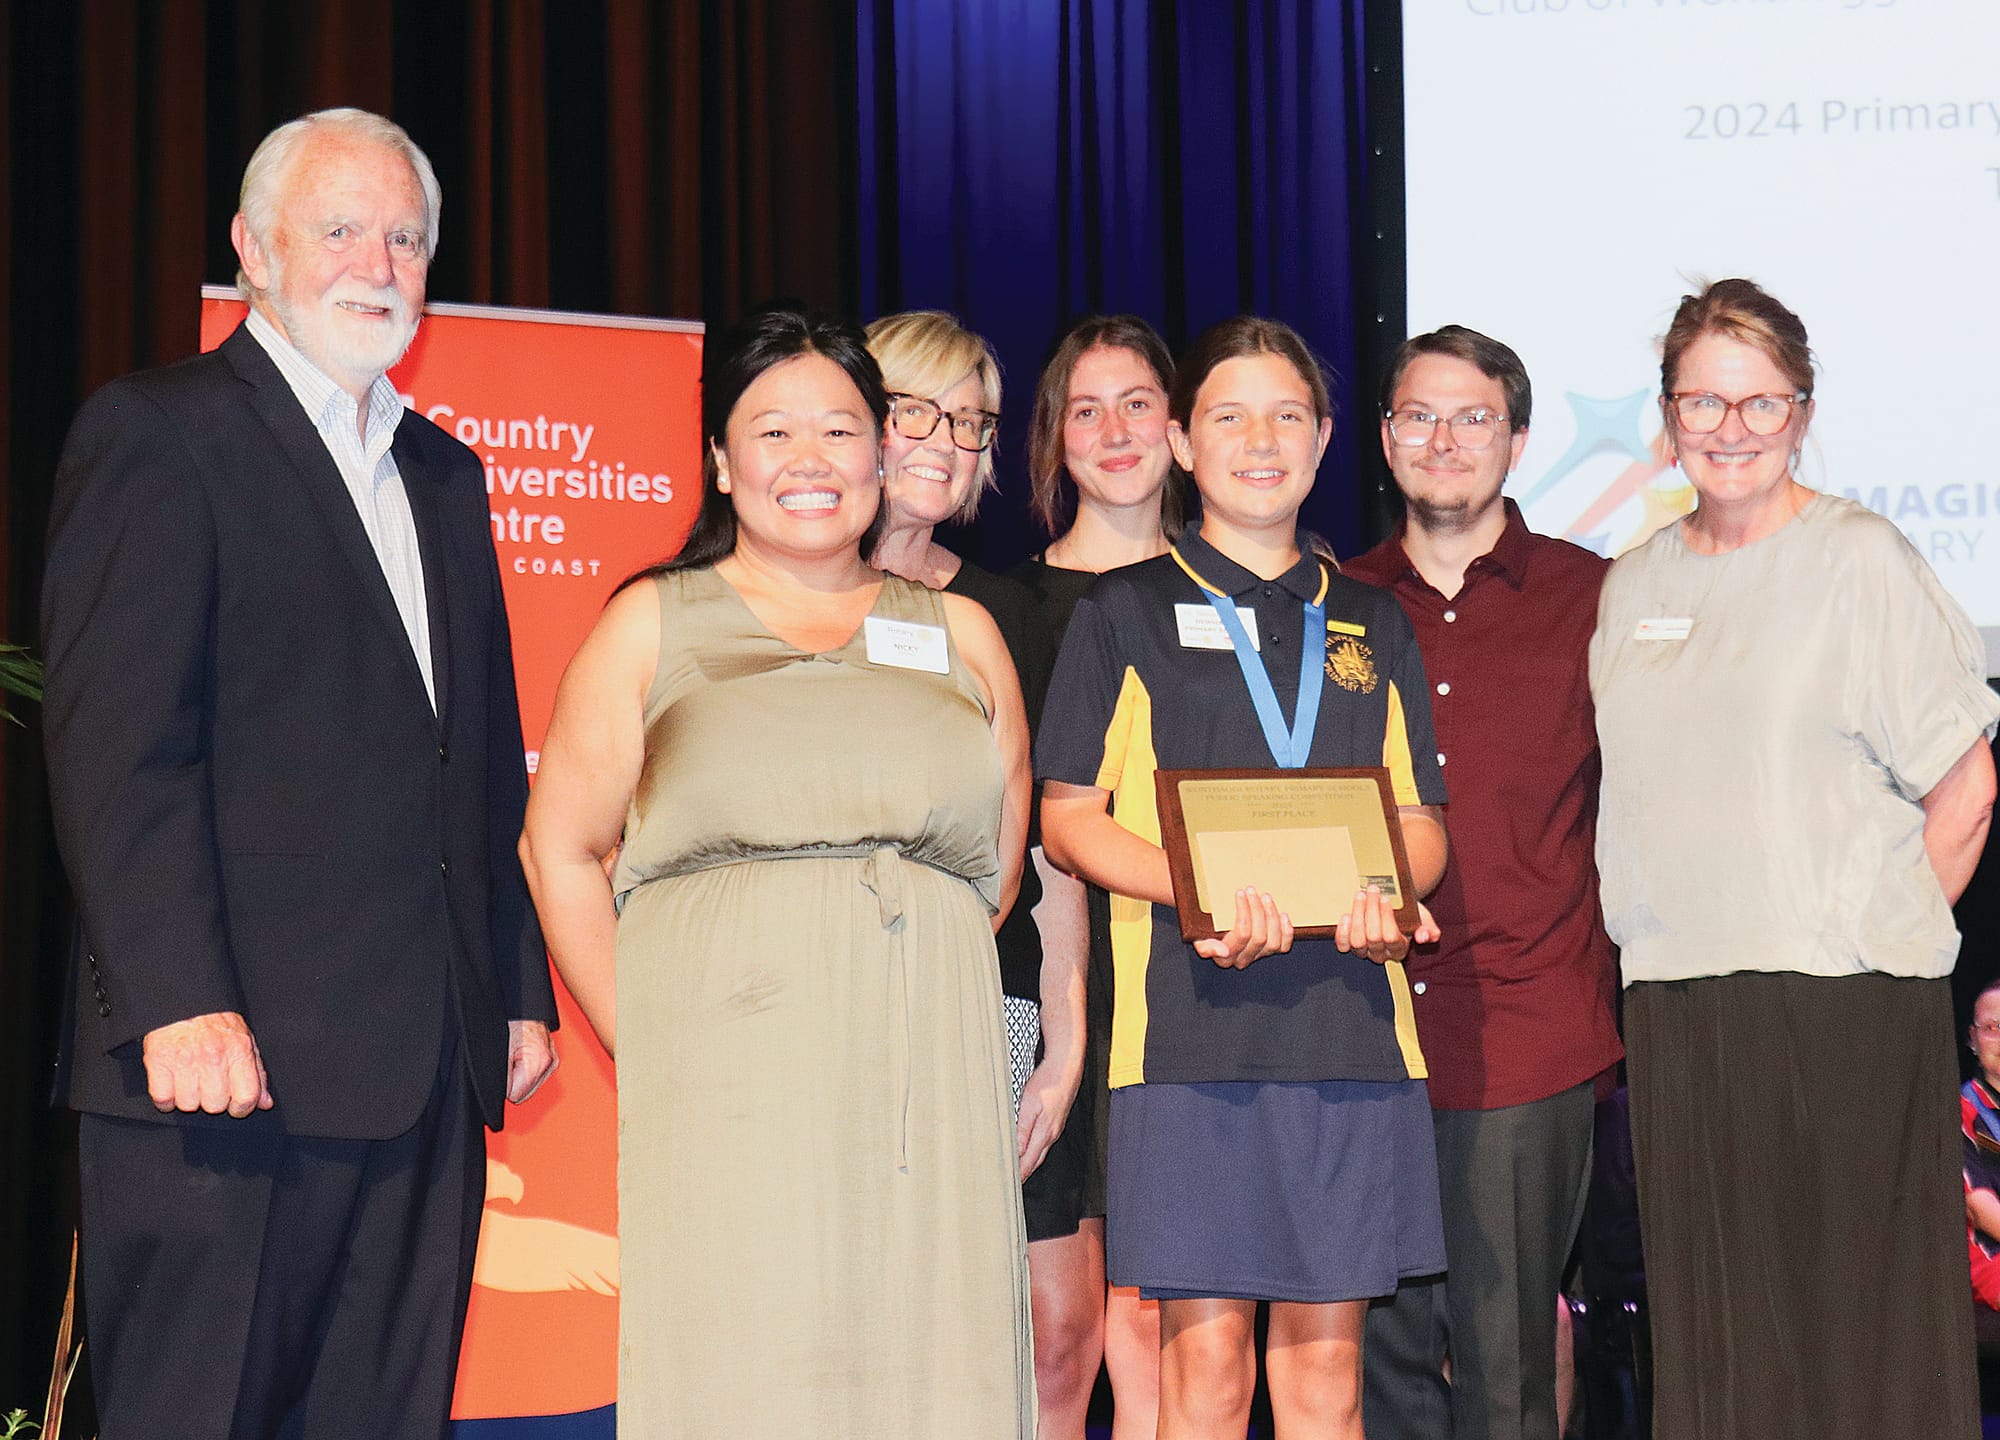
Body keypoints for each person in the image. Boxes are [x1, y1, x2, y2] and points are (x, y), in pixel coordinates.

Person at [38, 108, 558, 1439]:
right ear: (251, 250)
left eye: (404, 235)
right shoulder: (159, 434)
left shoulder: (447, 476)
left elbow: (478, 760)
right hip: (227, 1069)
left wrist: (511, 985)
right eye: (340, 228)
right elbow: (120, 747)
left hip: (423, 1069)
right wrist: (179, 1000)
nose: (375, 260)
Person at [519, 307, 1036, 1436]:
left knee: (929, 1362)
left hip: (929, 1078)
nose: (810, 462)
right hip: (725, 1075)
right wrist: (649, 1033)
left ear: (880, 453)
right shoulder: (651, 623)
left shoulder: (965, 635)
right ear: (719, 458)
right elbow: (556, 849)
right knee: (744, 1359)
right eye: (772, 433)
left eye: (840, 431)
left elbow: (991, 872)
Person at [1590, 277, 2000, 1439]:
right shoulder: (1632, 584)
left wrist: (1876, 936)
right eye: (1702, 402)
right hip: (1677, 1004)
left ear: (1802, 412)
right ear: (1665, 416)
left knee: (1854, 1325)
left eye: (1758, 402)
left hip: (1842, 1003)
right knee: (1717, 1328)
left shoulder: (1860, 557)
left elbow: (1964, 788)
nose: (1729, 429)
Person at [1039, 315, 1450, 1440]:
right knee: (1204, 1378)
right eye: (1226, 415)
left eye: (1285, 416)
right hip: (1186, 1045)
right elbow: (1067, 817)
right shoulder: (1119, 616)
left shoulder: (1373, 620)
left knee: (1326, 1386)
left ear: (1323, 444)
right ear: (1180, 441)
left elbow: (1419, 820)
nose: (1257, 440)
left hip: (1349, 1040)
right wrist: (1196, 888)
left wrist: (1385, 898)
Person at [1346, 325, 1621, 1440]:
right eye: (1418, 414)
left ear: (1514, 438)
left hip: (1526, 1025)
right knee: (1376, 1358)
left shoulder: (1595, 597)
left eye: (1472, 417)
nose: (1443, 439)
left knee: (1506, 1362)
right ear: (1381, 438)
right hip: (1356, 1029)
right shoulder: (1328, 604)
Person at [863, 310, 1096, 1434]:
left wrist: (1061, 1046)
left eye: (969, 421)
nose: (941, 440)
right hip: (821, 1007)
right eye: (914, 406)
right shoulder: (753, 591)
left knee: (1021, 1333)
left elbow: (1050, 853)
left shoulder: (1007, 610)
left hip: (985, 1010)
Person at [1011, 314, 1190, 1440]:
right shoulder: (1002, 608)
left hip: (1198, 973)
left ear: (1179, 429)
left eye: (1137, 403)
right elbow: (1031, 830)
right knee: (1055, 1335)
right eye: (1085, 407)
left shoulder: (1248, 592)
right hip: (1054, 988)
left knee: (1167, 1333)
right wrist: (1067, 1033)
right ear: (1051, 440)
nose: (1114, 430)